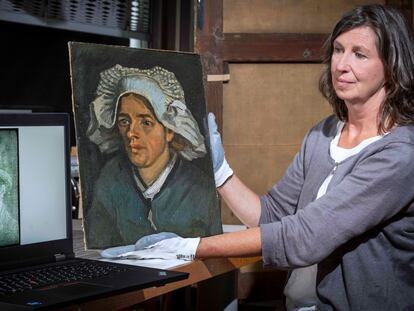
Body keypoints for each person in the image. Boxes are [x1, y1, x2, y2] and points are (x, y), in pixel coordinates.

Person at [124, 4, 414, 310]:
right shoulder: (323, 135)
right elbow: (273, 216)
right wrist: (220, 171)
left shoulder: (400, 155)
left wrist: (191, 247)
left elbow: (305, 236)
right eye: (339, 50)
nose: (341, 64)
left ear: (391, 67)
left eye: (360, 54)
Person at [84, 64, 222, 249]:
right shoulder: (109, 180)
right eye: (124, 121)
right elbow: (99, 242)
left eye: (146, 122)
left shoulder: (199, 189)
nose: (132, 132)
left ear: (169, 130)